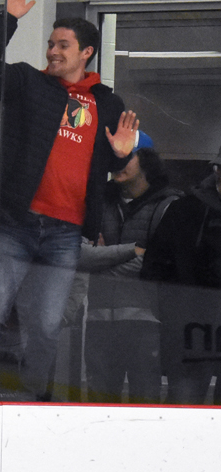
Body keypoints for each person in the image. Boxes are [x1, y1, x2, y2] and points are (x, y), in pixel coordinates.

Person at [0, 0, 139, 400]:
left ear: (86, 52)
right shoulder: (30, 83)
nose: (52, 51)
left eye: (62, 45)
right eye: (50, 43)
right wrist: (7, 19)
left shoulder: (107, 101)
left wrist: (120, 153)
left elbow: (116, 164)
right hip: (14, 221)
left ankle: (32, 403)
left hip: (65, 232)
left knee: (45, 327)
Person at [80, 146, 180, 403]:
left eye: (127, 157)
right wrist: (131, 250)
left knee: (145, 405)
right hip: (99, 320)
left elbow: (156, 263)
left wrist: (103, 260)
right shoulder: (97, 203)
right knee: (98, 407)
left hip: (147, 322)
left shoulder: (169, 205)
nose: (118, 163)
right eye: (115, 157)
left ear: (146, 162)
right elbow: (78, 256)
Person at [141, 144, 221, 404]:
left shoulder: (184, 209)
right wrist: (174, 315)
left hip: (190, 330)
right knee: (184, 413)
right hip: (189, 336)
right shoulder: (184, 211)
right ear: (217, 170)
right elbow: (153, 268)